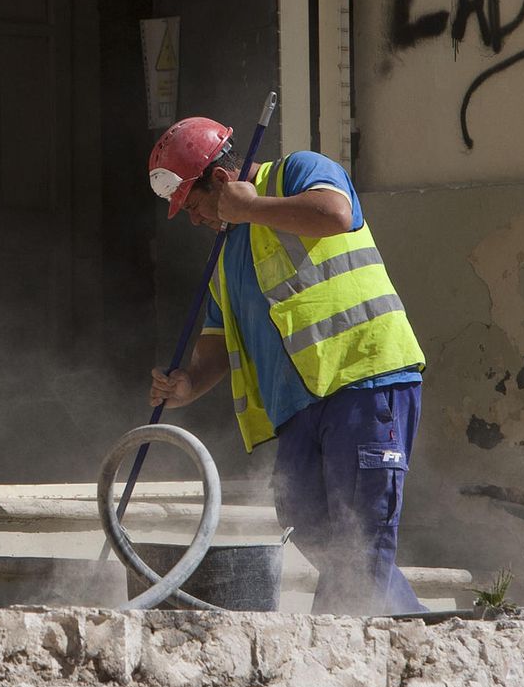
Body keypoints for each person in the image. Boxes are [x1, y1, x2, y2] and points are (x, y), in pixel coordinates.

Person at [146, 116, 427, 614]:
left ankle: (342, 640)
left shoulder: (298, 171)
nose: (193, 220)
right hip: (299, 406)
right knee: (304, 517)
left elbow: (336, 213)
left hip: (363, 377)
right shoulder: (224, 254)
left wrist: (254, 207)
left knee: (360, 528)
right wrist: (189, 383)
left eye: (192, 206)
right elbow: (216, 340)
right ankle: (412, 625)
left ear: (219, 180)